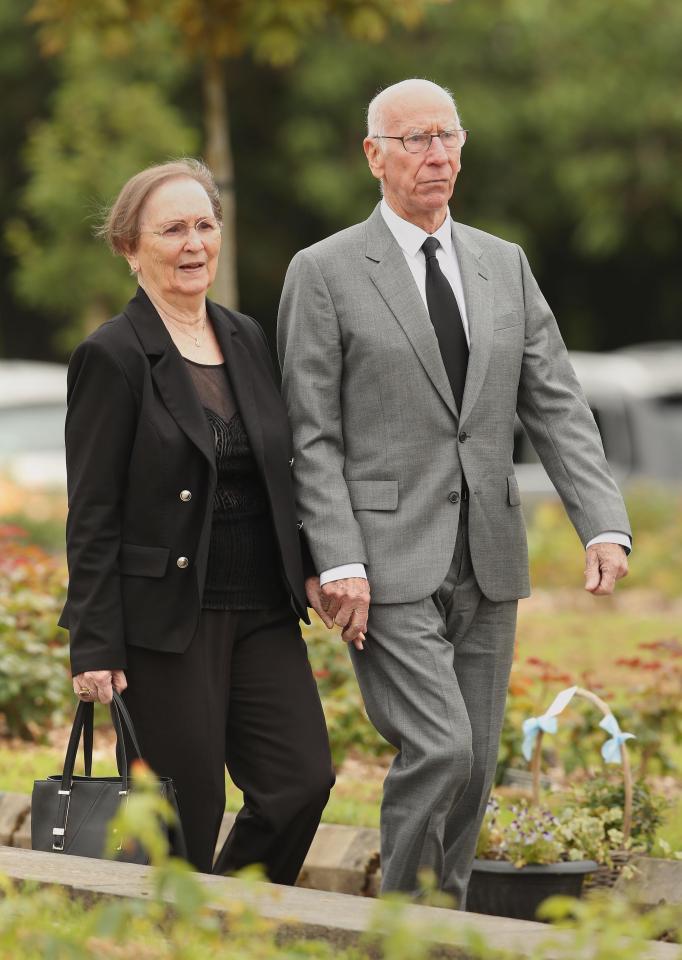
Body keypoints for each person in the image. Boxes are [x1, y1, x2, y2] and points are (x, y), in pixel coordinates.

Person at [277, 79, 631, 906]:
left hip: (490, 553)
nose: (436, 156)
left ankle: (447, 928)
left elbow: (556, 403)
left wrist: (603, 522)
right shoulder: (323, 271)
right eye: (414, 140)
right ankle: (397, 928)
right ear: (374, 155)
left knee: (473, 766)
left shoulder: (502, 263)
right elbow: (310, 432)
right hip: (383, 560)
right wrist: (336, 556)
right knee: (442, 749)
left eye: (447, 138)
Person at [59, 158, 334, 879]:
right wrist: (93, 644)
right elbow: (91, 512)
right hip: (164, 620)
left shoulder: (245, 334)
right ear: (130, 247)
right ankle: (166, 938)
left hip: (261, 609)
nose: (193, 243)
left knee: (299, 785)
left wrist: (312, 565)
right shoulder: (112, 356)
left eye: (205, 225)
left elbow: (278, 473)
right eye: (172, 228)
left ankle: (228, 924)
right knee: (183, 813)